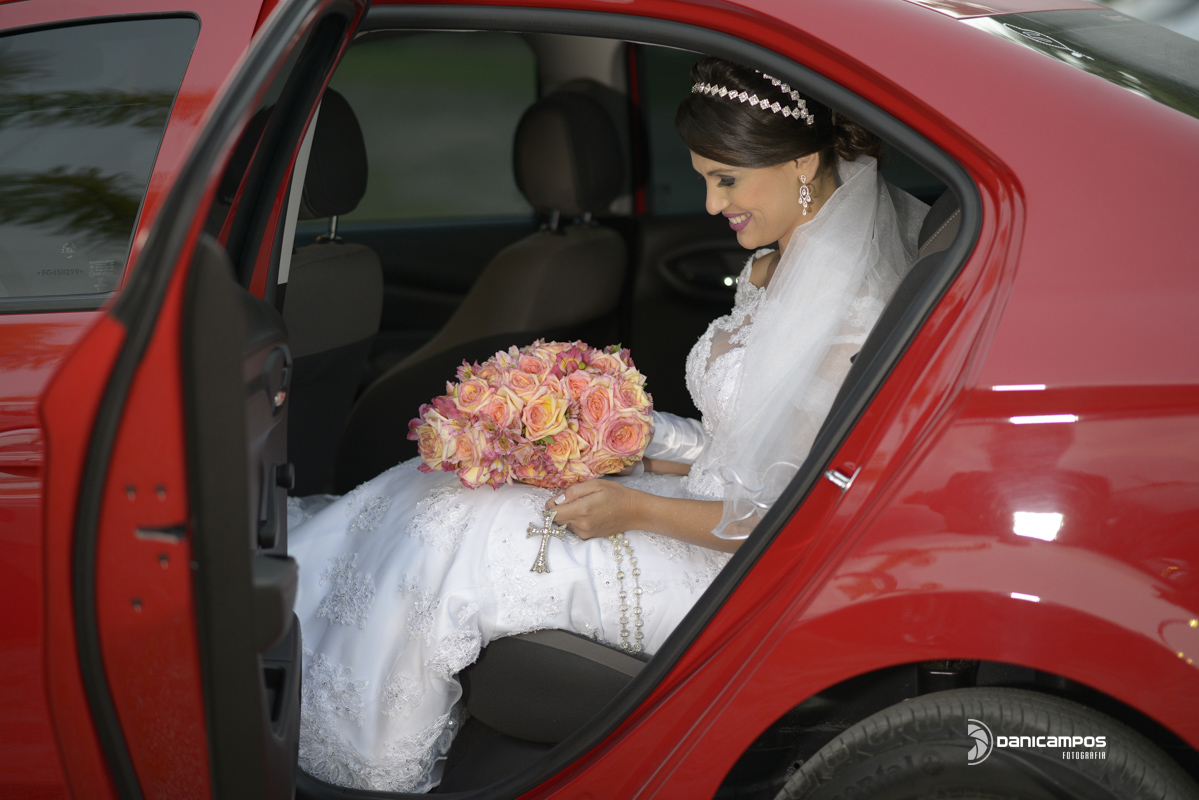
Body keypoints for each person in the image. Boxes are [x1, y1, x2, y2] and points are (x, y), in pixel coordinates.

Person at [288, 56, 927, 793]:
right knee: (437, 490)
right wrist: (618, 445)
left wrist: (633, 506)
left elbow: (796, 513)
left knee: (457, 531)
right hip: (705, 510)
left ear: (803, 164)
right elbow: (748, 450)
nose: (711, 204)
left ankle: (363, 767)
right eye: (704, 178)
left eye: (726, 179)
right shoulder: (778, 264)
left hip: (742, 573)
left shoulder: (848, 315)